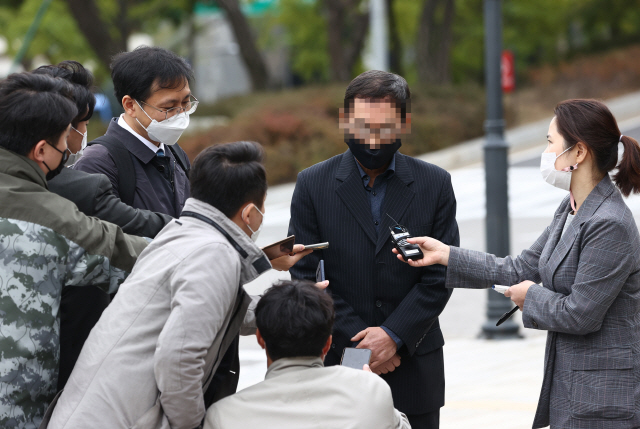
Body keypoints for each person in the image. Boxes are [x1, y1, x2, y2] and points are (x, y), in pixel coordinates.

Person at [398, 99, 640, 429]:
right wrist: (446, 254)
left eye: (551, 142)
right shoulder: (570, 209)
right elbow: (519, 268)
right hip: (574, 388)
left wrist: (531, 297)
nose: (547, 152)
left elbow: (581, 313)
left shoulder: (609, 223)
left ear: (579, 152)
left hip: (603, 397)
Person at [44, 141, 315, 429]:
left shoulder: (182, 233)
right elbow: (179, 363)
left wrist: (290, 303)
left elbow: (216, 308)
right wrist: (192, 424)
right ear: (250, 214)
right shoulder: (213, 253)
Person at [288, 70, 459, 429]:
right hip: (340, 358)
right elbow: (306, 274)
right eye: (363, 126)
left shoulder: (435, 184)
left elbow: (440, 275)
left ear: (404, 124)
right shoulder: (312, 184)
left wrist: (394, 337)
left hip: (414, 362)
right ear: (344, 120)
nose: (372, 138)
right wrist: (363, 344)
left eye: (384, 128)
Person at [0, 72, 147, 429]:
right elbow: (135, 255)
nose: (70, 148)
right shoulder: (54, 218)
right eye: (66, 137)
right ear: (41, 150)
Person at [32, 61, 173, 390]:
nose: (77, 136)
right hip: (67, 373)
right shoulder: (82, 181)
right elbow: (127, 238)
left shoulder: (175, 154)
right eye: (79, 125)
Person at [203, 280, 411, 429]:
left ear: (260, 338)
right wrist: (366, 385)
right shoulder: (371, 391)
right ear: (327, 343)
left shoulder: (224, 416)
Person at [73, 46, 194, 216]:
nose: (180, 114)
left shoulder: (174, 152)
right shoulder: (98, 163)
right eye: (168, 107)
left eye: (186, 103)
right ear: (130, 105)